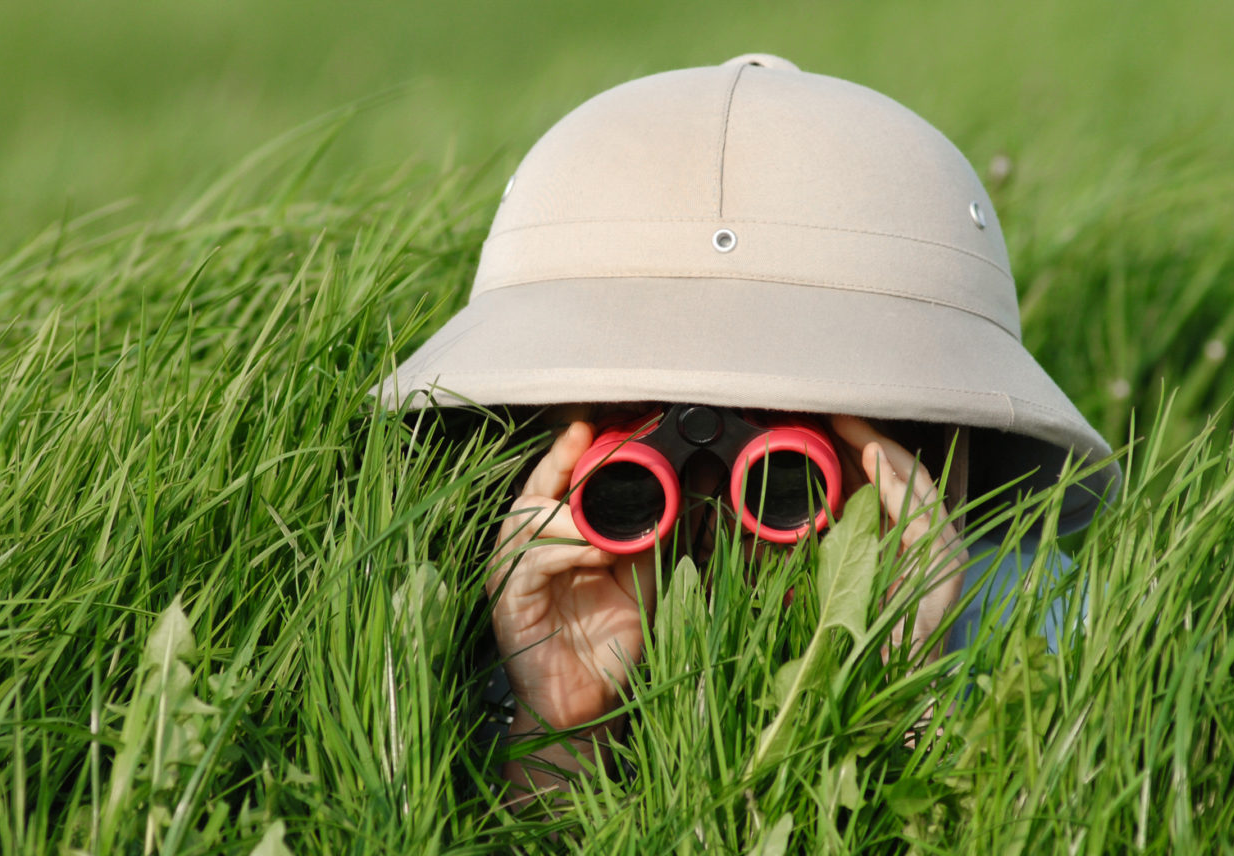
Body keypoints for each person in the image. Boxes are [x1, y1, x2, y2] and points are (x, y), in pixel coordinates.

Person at [371, 54, 1120, 798]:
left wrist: (897, 690)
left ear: (922, 445)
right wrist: (559, 725)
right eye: (636, 453)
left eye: (786, 472)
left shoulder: (1044, 626)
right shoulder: (470, 638)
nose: (715, 501)